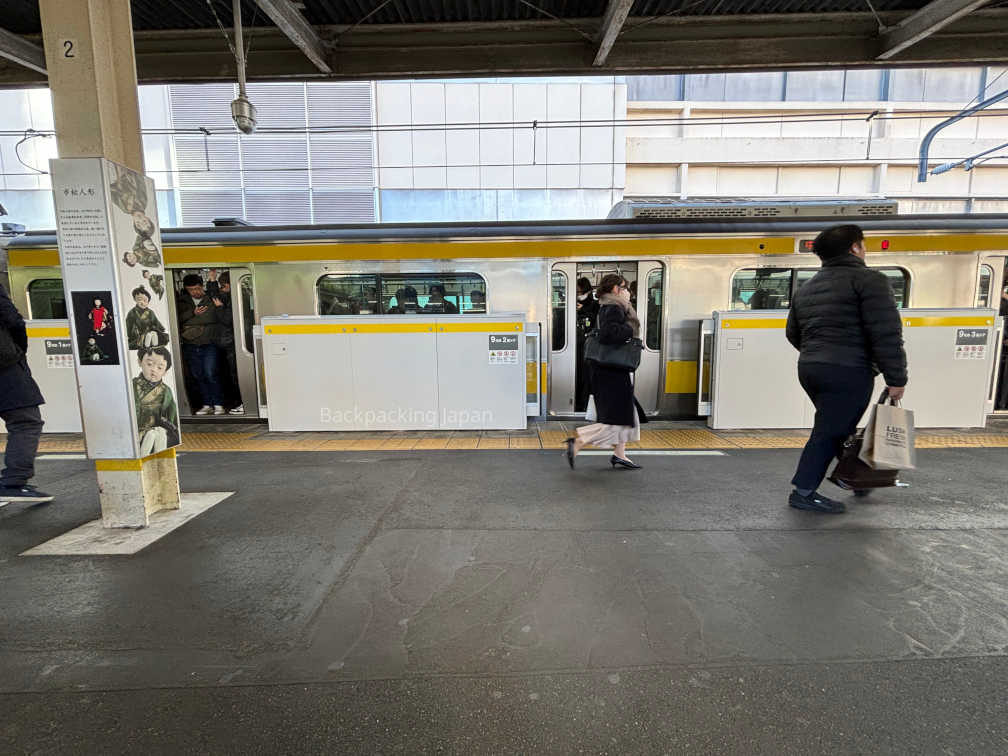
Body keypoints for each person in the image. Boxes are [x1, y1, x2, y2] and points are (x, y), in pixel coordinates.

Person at [786, 224, 908, 514]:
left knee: (837, 425)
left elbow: (793, 332)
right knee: (829, 430)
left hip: (811, 368)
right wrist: (896, 377)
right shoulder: (869, 280)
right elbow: (886, 333)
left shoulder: (808, 286)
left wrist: (817, 354)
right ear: (855, 248)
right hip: (848, 370)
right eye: (863, 245)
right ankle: (803, 491)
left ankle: (857, 479)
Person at [564, 274, 646, 470]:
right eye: (624, 288)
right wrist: (629, 328)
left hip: (611, 368)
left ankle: (620, 454)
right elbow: (610, 334)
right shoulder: (613, 307)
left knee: (627, 413)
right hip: (610, 370)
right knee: (618, 416)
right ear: (616, 289)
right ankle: (578, 442)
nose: (627, 292)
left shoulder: (610, 305)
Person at [0, 284, 52, 502]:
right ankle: (13, 482)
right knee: (26, 422)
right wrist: (18, 353)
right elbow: (13, 320)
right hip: (4, 365)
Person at [177, 273, 225, 416]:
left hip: (209, 342)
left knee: (211, 373)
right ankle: (207, 404)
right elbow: (177, 319)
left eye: (197, 288)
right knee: (198, 375)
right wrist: (193, 313)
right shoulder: (182, 301)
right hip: (190, 344)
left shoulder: (211, 297)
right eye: (191, 289)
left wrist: (191, 321)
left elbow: (212, 317)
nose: (195, 292)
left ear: (202, 285)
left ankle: (218, 403)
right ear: (186, 289)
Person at [206, 271, 244, 415]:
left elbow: (227, 320)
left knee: (236, 375)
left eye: (223, 286)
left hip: (234, 343)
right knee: (233, 374)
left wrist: (220, 308)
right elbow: (215, 296)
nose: (222, 289)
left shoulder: (231, 301)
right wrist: (212, 280)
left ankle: (243, 402)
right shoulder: (233, 296)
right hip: (232, 343)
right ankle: (240, 402)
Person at [133, 346, 180, 454]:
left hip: (157, 430)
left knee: (158, 434)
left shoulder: (165, 391)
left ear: (166, 371)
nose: (154, 369)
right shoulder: (131, 385)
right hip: (135, 432)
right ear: (140, 362)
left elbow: (171, 416)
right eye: (149, 364)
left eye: (160, 367)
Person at [574, 277, 598, 412]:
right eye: (577, 293)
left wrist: (582, 310)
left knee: (586, 377)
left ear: (588, 291)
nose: (579, 295)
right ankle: (576, 403)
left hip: (589, 346)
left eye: (580, 292)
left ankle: (585, 405)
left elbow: (595, 322)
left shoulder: (595, 305)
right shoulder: (571, 304)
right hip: (575, 346)